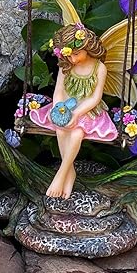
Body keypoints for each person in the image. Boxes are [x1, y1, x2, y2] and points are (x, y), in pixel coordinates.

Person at [29, 23, 118, 199]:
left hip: (87, 110)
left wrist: (76, 114)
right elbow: (59, 91)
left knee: (77, 133)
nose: (73, 59)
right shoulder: (66, 65)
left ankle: (61, 175)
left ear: (88, 47)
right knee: (61, 129)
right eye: (69, 55)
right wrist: (58, 108)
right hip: (65, 106)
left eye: (76, 54)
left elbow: (95, 98)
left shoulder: (99, 68)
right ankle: (70, 174)